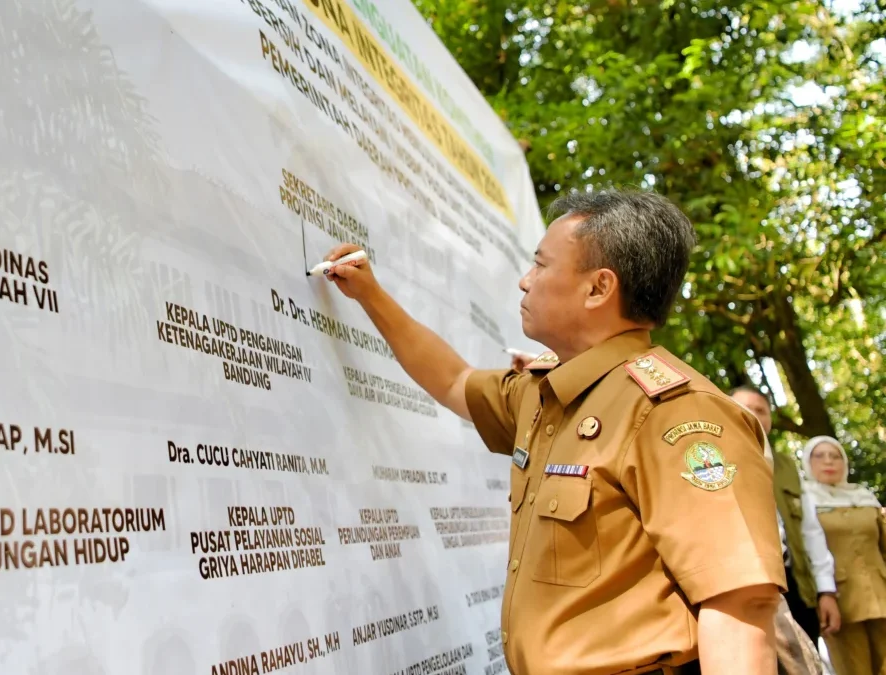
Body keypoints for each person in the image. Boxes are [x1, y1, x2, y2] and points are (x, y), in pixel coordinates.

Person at [323, 188, 785, 674]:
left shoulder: (677, 414)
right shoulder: (547, 394)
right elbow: (455, 381)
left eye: (541, 265)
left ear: (598, 288)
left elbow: (740, 606)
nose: (526, 282)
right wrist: (370, 295)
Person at [731, 387, 842, 645]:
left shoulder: (786, 466)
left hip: (796, 585)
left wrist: (826, 591)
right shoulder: (713, 459)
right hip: (748, 586)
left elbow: (811, 531)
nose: (754, 415)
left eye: (761, 410)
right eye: (745, 407)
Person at [801, 436, 886, 675]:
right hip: (839, 602)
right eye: (820, 455)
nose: (829, 461)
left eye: (835, 455)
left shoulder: (864, 497)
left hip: (881, 594)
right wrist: (822, 595)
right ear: (808, 462)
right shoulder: (803, 501)